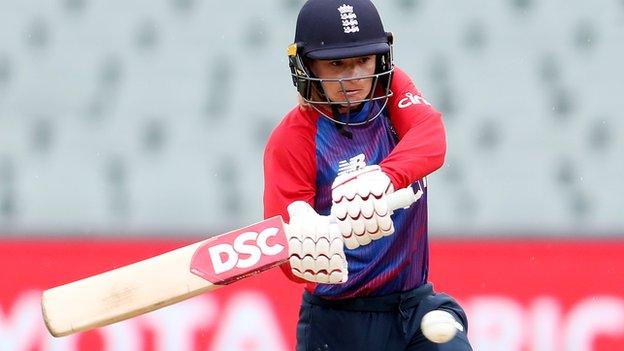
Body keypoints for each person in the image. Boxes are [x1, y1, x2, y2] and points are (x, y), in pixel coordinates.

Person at [263, 0, 473, 350]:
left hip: (414, 306)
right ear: (306, 65)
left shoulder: (390, 92)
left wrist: (383, 179)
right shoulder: (292, 139)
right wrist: (312, 242)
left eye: (363, 60)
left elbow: (431, 136)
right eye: (337, 64)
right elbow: (288, 261)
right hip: (338, 321)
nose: (354, 77)